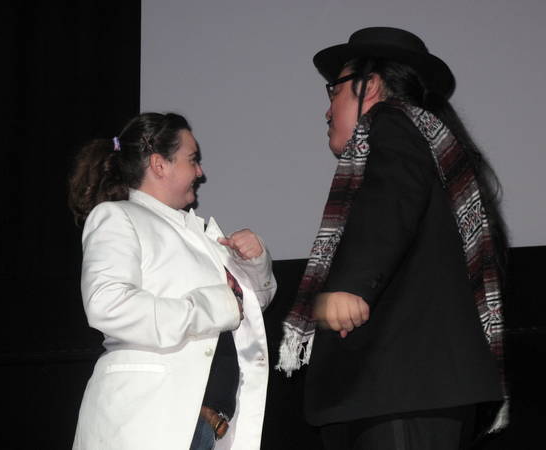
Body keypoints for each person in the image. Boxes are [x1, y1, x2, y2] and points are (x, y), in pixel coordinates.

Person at [278, 27, 508, 449]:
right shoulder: (429, 144)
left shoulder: (394, 122)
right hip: (399, 390)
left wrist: (352, 284)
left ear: (370, 86)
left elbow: (392, 195)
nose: (327, 110)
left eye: (334, 92)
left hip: (401, 388)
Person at [68, 112, 276, 449]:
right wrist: (213, 306)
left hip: (199, 424)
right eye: (192, 159)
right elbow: (108, 305)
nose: (200, 172)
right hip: (146, 419)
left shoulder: (199, 234)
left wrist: (254, 261)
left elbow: (249, 306)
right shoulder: (117, 216)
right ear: (159, 165)